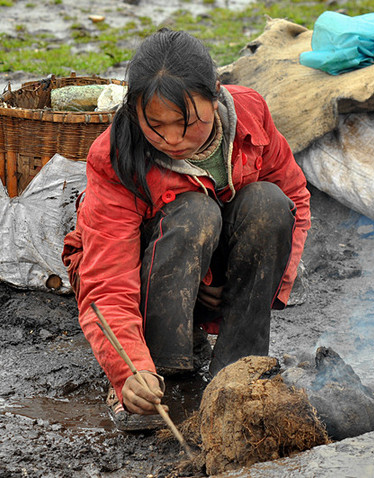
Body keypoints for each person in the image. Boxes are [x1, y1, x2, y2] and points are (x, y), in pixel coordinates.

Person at [62, 28, 311, 431]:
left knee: (270, 204)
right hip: (148, 274)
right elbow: (107, 280)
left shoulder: (250, 113)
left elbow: (295, 196)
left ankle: (240, 370)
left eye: (186, 123)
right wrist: (128, 372)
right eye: (155, 126)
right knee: (194, 212)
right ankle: (158, 371)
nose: (173, 140)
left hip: (211, 277)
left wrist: (244, 282)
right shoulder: (113, 157)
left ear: (215, 94)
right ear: (133, 110)